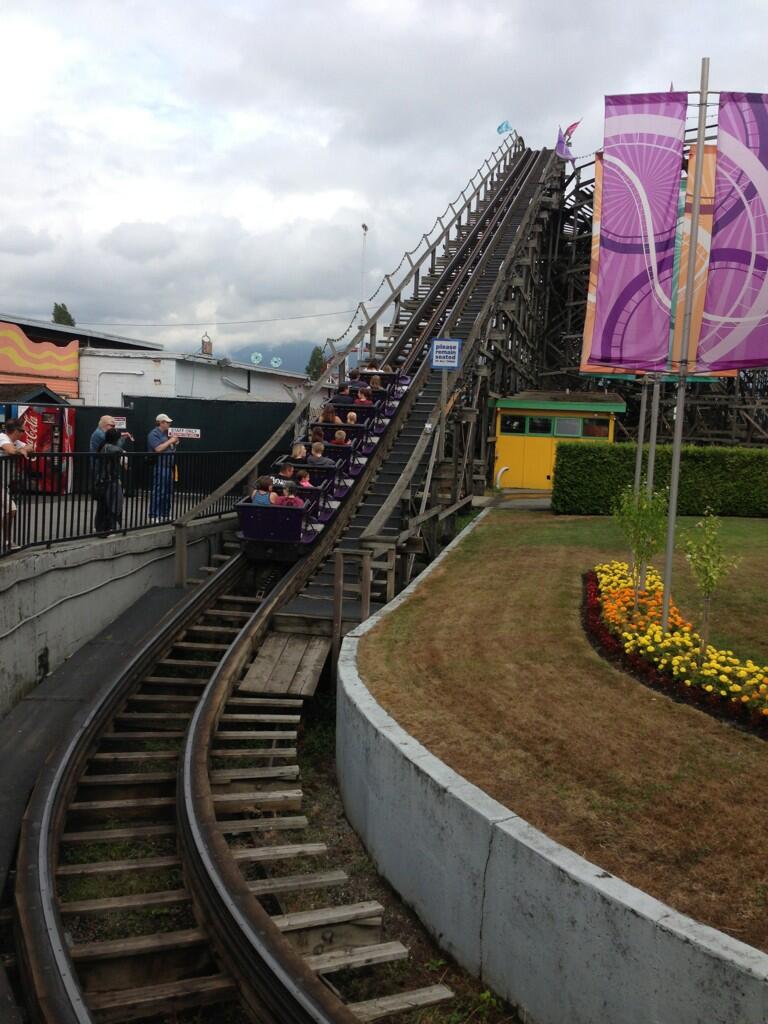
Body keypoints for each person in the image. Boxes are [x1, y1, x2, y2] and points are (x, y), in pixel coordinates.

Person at [0, 419, 32, 552]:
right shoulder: (2, 437)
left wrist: (24, 449)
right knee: (11, 509)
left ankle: (7, 541)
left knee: (7, 511)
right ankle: (7, 541)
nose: (23, 434)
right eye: (22, 431)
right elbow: (10, 451)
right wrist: (21, 451)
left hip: (3, 484)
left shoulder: (16, 442)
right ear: (15, 431)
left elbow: (31, 446)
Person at [93, 427, 127, 536]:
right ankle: (106, 529)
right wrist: (123, 451)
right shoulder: (111, 449)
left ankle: (101, 528)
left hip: (103, 480)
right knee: (111, 505)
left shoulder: (103, 445)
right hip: (109, 481)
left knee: (103, 505)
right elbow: (118, 450)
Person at [147, 413, 179, 522]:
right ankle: (154, 515)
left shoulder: (165, 434)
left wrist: (174, 444)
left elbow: (169, 449)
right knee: (159, 491)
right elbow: (158, 449)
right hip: (160, 466)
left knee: (167, 491)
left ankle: (164, 514)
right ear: (161, 422)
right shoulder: (153, 434)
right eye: (167, 422)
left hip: (168, 467)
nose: (169, 424)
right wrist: (171, 441)